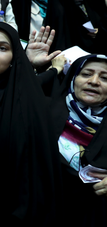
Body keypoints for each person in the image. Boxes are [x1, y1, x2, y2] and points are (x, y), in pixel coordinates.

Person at [0, 22, 63, 225]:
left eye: (3, 48)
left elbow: (36, 177)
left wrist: (29, 64)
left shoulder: (28, 106)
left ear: (15, 56)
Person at [51, 55, 107, 226]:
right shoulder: (44, 112)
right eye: (86, 74)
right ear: (73, 78)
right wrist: (54, 70)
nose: (94, 81)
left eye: (105, 78)